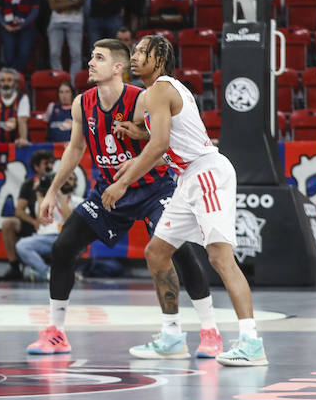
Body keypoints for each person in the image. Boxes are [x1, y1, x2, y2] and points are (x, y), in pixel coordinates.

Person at [29, 39, 220, 359]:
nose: (90, 63)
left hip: (152, 189)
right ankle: (56, 333)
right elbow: (75, 149)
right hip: (108, 190)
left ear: (117, 68)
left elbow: (168, 147)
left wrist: (138, 149)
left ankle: (208, 331)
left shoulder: (143, 99)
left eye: (99, 58)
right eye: (90, 56)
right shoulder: (82, 103)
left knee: (180, 252)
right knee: (64, 247)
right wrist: (52, 191)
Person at [111, 35, 267, 367]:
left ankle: (252, 342)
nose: (135, 57)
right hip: (187, 177)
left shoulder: (160, 89)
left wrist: (124, 181)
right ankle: (171, 336)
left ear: (160, 58)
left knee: (220, 257)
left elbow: (159, 145)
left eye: (142, 52)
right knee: (156, 252)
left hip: (206, 172)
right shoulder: (159, 93)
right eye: (134, 52)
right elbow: (165, 144)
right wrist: (141, 138)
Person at [0, 148, 52, 281]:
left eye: (51, 163)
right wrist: (34, 222)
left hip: (54, 223)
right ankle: (14, 266)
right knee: (8, 223)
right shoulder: (28, 185)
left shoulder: (58, 181)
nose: (49, 167)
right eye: (45, 164)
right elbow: (19, 210)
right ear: (36, 167)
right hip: (36, 222)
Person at [15, 168, 81, 279]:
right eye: (65, 178)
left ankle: (47, 273)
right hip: (44, 237)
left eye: (70, 179)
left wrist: (59, 195)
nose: (67, 181)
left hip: (66, 236)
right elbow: (42, 221)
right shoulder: (47, 199)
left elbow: (69, 219)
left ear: (74, 183)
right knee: (21, 245)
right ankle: (48, 273)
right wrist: (40, 197)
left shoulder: (78, 200)